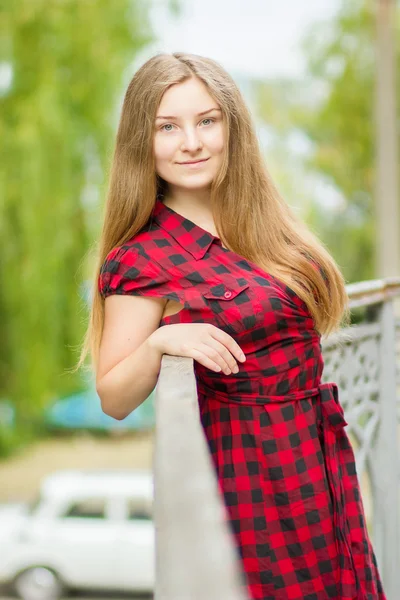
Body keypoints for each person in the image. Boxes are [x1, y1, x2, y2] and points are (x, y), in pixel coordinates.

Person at [82, 52, 386, 600]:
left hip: (316, 455)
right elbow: (113, 397)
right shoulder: (142, 258)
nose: (191, 142)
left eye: (206, 121)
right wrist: (159, 342)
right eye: (167, 127)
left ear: (231, 125)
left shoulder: (260, 218)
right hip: (252, 476)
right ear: (141, 143)